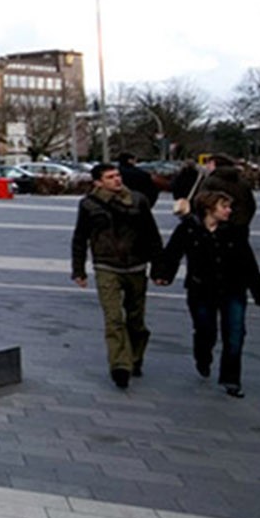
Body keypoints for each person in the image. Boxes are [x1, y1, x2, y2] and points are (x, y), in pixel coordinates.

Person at [152, 190, 260, 398]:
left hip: (233, 289)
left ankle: (231, 379)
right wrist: (162, 275)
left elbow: (248, 263)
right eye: (224, 206)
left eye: (229, 206)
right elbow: (172, 253)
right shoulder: (189, 229)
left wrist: (259, 294)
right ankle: (203, 356)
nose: (229, 211)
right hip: (201, 289)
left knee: (235, 335)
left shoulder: (235, 231)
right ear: (209, 209)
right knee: (205, 331)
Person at [71, 162, 164, 389]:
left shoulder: (138, 200)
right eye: (110, 177)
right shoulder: (89, 205)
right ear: (98, 182)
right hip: (106, 266)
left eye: (117, 175)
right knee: (113, 319)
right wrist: (78, 270)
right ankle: (120, 366)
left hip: (136, 266)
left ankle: (135, 356)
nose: (117, 180)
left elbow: (152, 234)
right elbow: (80, 237)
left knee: (136, 320)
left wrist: (159, 268)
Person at [200, 155, 256, 234]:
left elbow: (201, 203)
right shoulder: (242, 182)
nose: (207, 167)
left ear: (214, 164)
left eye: (209, 164)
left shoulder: (210, 182)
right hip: (240, 227)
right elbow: (251, 205)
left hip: (216, 228)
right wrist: (243, 222)